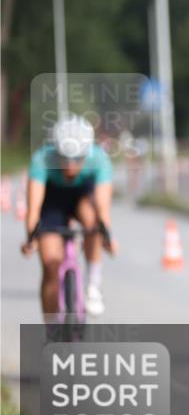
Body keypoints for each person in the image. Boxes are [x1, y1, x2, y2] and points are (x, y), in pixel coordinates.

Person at [21, 114, 118, 318]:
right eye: (64, 158)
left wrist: (107, 236)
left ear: (87, 153)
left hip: (82, 197)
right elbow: (34, 208)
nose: (71, 166)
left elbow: (102, 208)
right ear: (56, 150)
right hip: (52, 201)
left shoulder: (99, 159)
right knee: (50, 263)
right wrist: (31, 238)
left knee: (93, 222)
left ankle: (93, 286)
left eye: (77, 159)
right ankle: (51, 328)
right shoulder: (42, 159)